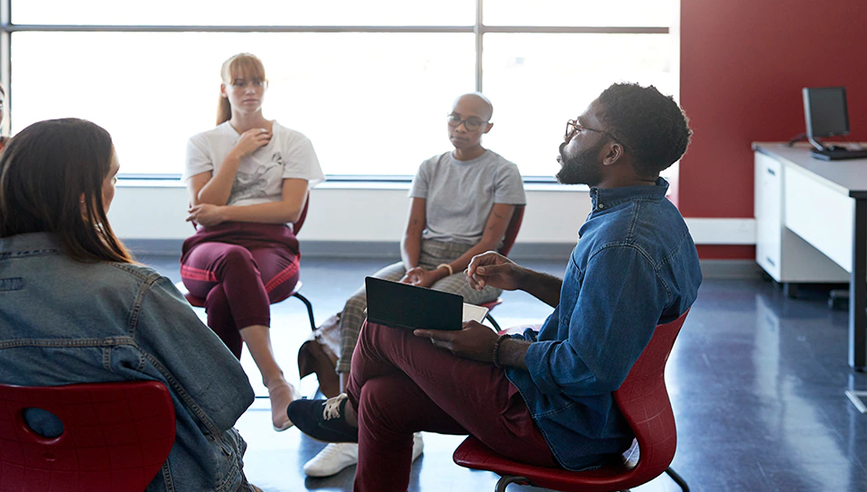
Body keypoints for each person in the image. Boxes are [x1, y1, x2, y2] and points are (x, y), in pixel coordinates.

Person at [287, 82, 703, 492]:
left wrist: (496, 349)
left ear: (613, 153)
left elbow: (591, 368)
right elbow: (608, 315)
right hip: (570, 411)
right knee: (380, 400)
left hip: (557, 425)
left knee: (381, 324)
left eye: (581, 128)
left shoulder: (622, 244)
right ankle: (357, 410)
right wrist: (524, 279)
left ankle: (346, 415)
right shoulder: (653, 215)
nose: (569, 136)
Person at [0, 118, 260, 492]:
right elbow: (227, 398)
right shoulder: (133, 294)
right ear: (83, 193)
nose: (113, 189)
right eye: (113, 178)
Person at [300, 92, 527, 478]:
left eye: (472, 121)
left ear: (488, 127)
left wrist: (434, 274)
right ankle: (347, 423)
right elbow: (411, 232)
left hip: (475, 266)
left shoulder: (503, 171)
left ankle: (407, 426)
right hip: (422, 259)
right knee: (360, 303)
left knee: (422, 309)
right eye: (455, 118)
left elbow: (491, 243)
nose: (461, 126)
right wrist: (412, 271)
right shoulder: (430, 165)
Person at [181, 53, 325, 432]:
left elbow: (289, 210)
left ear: (265, 87)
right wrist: (236, 154)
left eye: (256, 82)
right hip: (208, 248)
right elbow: (201, 209)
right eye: (240, 83)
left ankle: (216, 405)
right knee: (233, 259)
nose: (249, 90)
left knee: (223, 296)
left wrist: (225, 213)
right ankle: (276, 381)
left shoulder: (293, 141)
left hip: (272, 247)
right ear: (224, 89)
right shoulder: (202, 142)